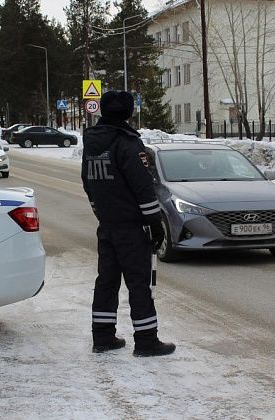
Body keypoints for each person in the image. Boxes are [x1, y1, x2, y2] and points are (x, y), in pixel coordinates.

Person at [81, 90, 176, 357]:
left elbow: (88, 183)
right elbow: (143, 186)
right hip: (131, 227)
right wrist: (154, 222)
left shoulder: (92, 143)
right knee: (138, 282)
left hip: (107, 225)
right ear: (127, 112)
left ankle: (103, 337)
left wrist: (100, 212)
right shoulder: (128, 143)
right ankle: (146, 341)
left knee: (107, 282)